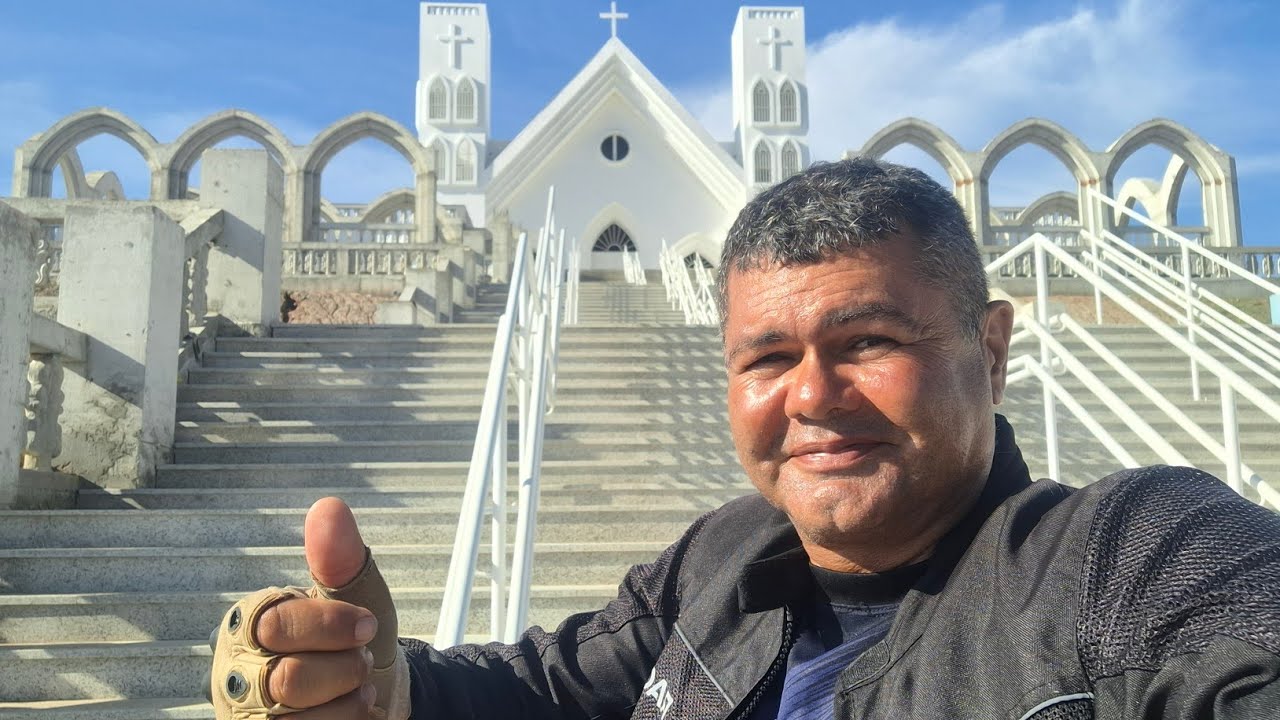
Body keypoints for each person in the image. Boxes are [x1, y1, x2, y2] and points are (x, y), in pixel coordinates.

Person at [208, 158, 1280, 720]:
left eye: (866, 339)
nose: (811, 395)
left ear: (988, 351)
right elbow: (546, 690)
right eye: (766, 358)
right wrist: (384, 685)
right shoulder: (717, 567)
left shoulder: (1127, 559)